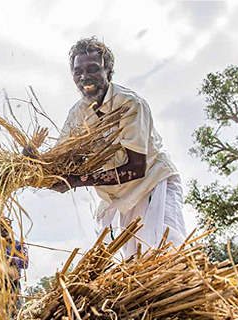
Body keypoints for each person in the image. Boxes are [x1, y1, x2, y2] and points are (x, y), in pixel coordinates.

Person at [33, 37, 187, 257]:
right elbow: (60, 162)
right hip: (123, 198)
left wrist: (78, 181)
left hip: (152, 184)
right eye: (78, 72)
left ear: (109, 72)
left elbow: (136, 168)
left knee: (167, 253)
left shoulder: (130, 105)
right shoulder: (77, 115)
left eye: (93, 69)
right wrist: (34, 163)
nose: (85, 77)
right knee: (137, 262)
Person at [1, 217, 29, 315]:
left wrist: (11, 259)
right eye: (0, 227)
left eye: (5, 227)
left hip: (13, 284)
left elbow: (25, 263)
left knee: (18, 313)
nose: (3, 230)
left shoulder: (18, 245)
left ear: (10, 228)